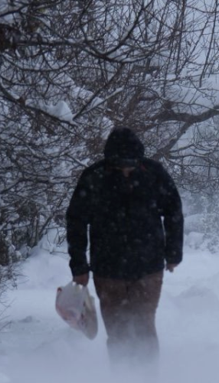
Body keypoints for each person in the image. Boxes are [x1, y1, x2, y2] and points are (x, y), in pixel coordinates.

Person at [66, 126, 183, 366]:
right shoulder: (94, 177)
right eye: (120, 165)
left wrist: (173, 253)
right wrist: (79, 266)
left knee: (144, 325)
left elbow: (173, 213)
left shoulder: (154, 173)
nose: (125, 170)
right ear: (110, 160)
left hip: (148, 267)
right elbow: (76, 222)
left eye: (130, 164)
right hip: (108, 269)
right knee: (117, 328)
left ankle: (148, 382)